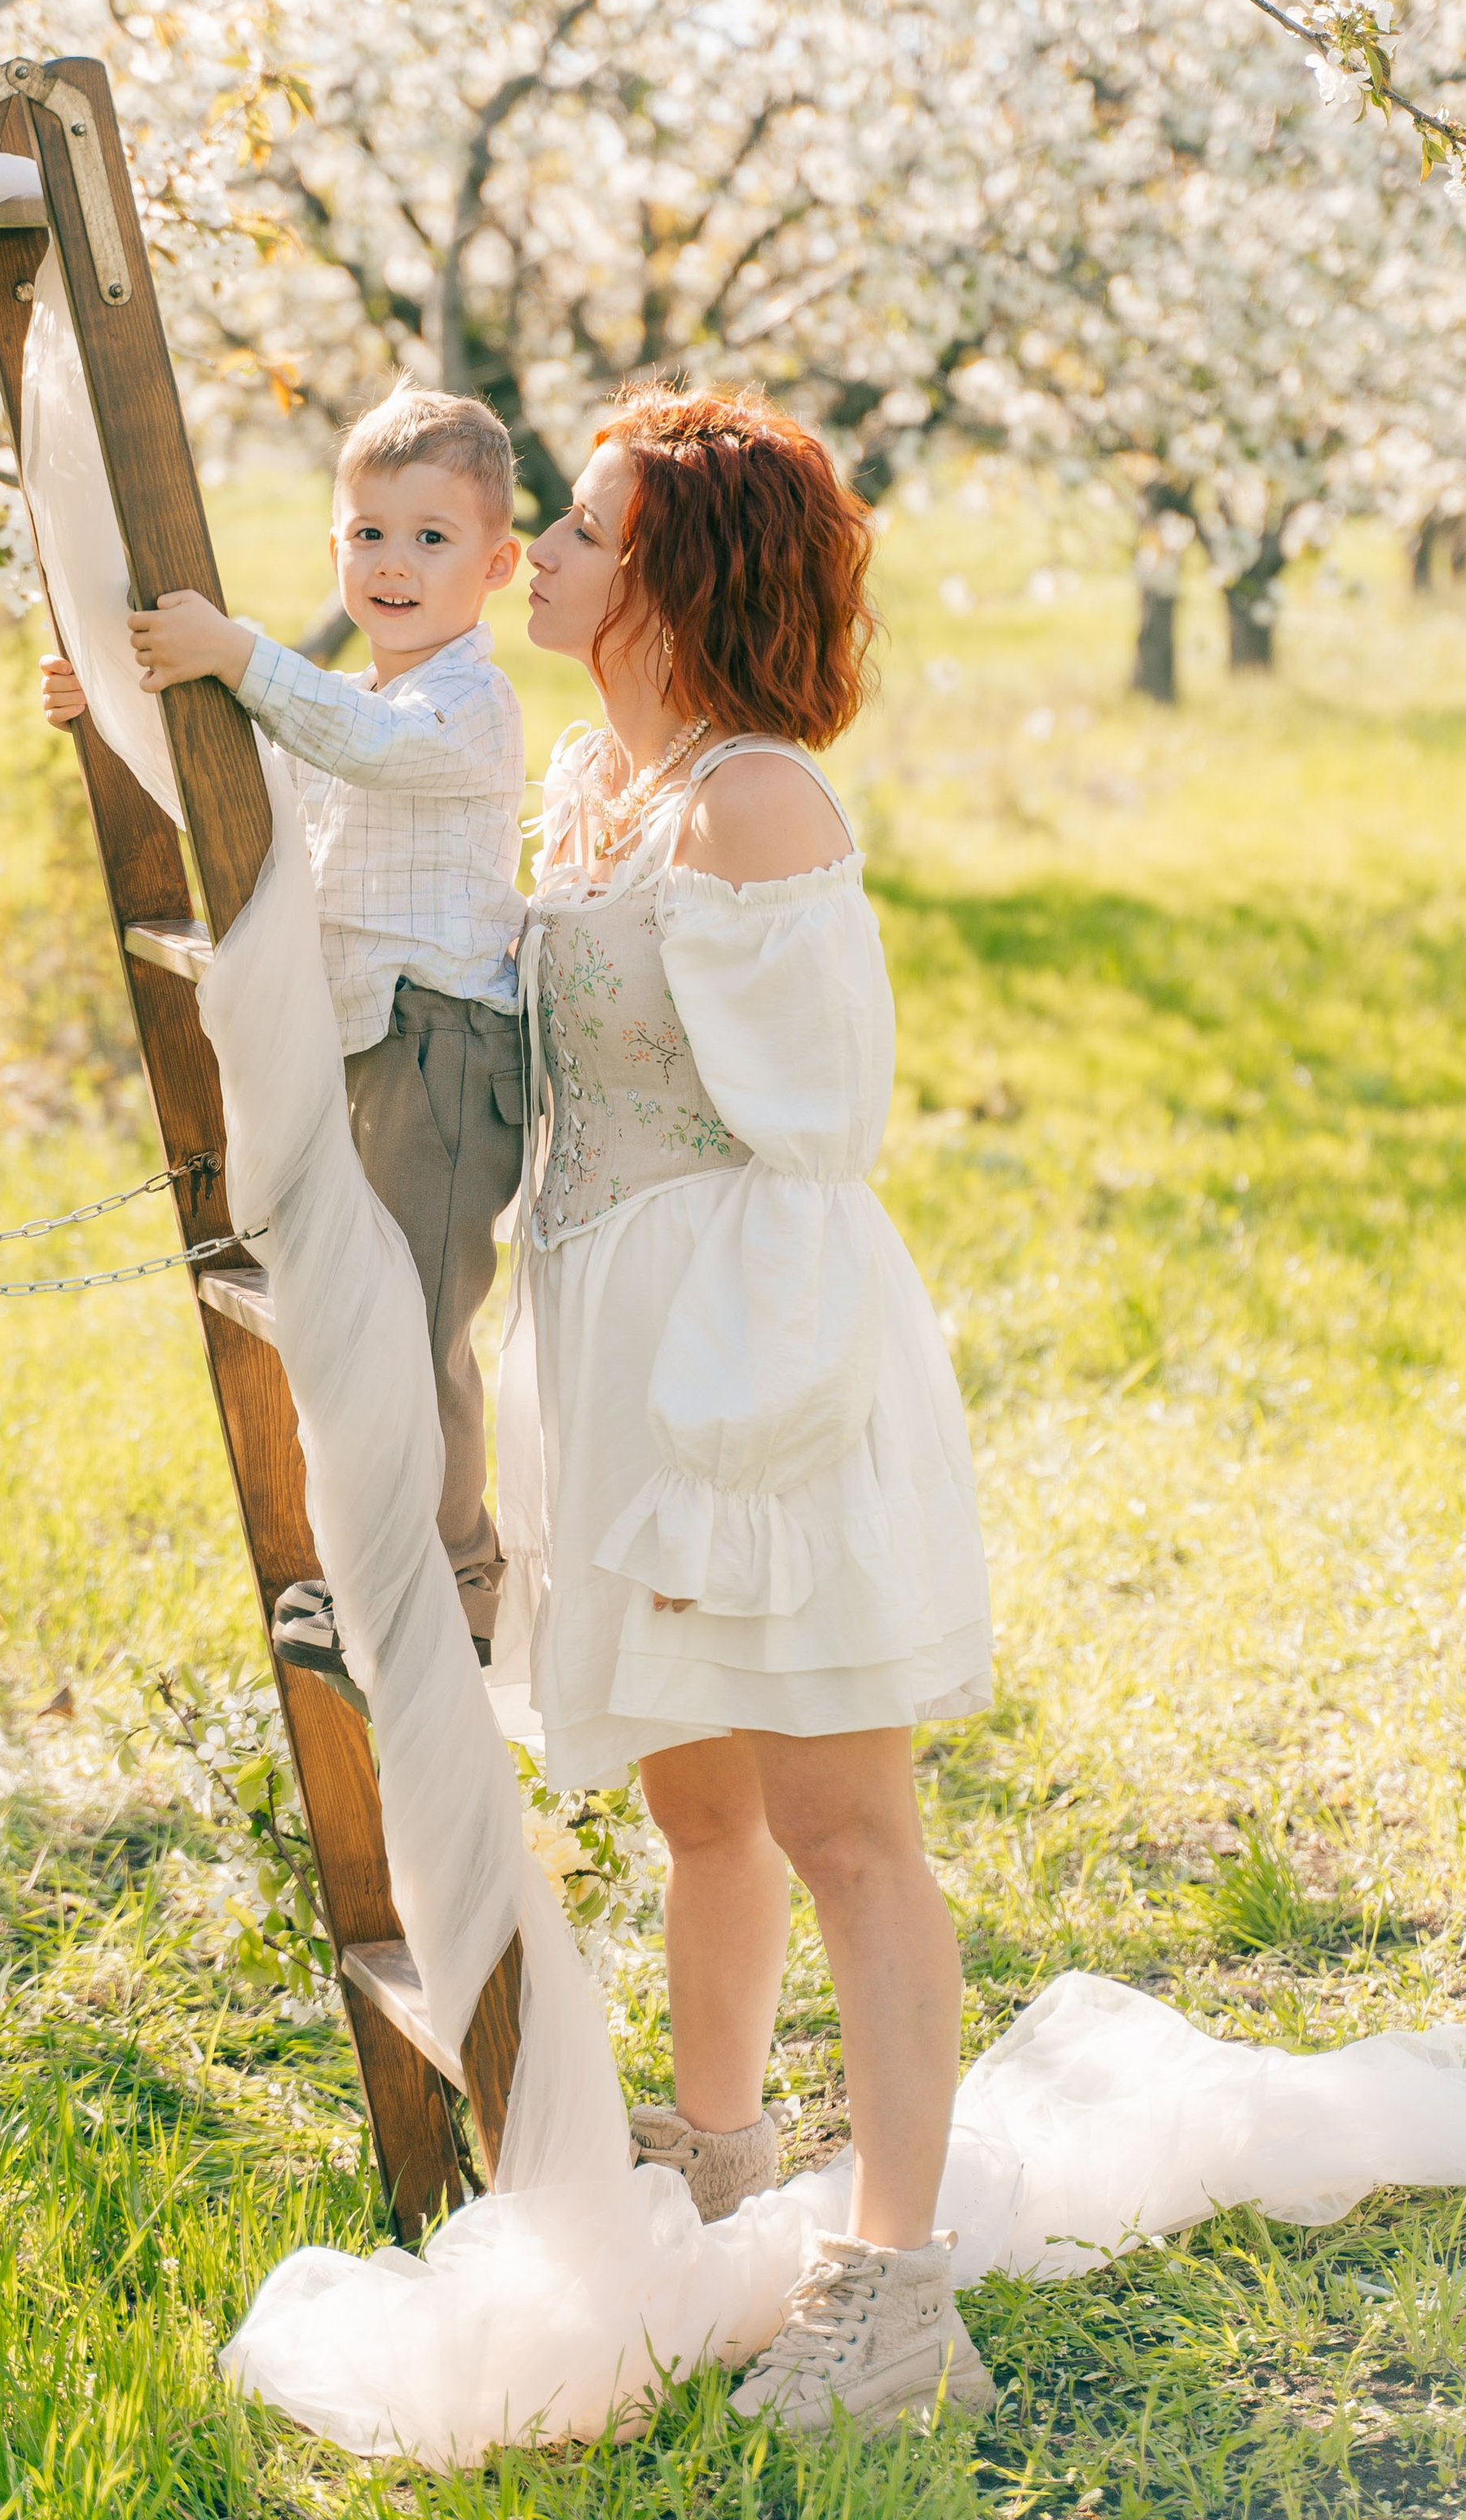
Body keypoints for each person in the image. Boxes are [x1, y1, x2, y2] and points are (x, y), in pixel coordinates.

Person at [505, 384, 996, 2430]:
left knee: (840, 1823)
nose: (537, 549)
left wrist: (735, 1434)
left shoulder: (752, 806)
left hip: (754, 1361)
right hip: (610, 1343)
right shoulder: (581, 785)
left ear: (673, 578)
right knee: (693, 1806)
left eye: (581, 529)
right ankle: (713, 2166)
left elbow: (815, 1147)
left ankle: (893, 2285)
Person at [41, 384, 526, 1669]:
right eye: (368, 534)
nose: (395, 564)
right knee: (360, 1320)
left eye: (432, 538)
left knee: (417, 1329)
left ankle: (454, 1589)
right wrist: (114, 701)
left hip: (443, 1047)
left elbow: (354, 741)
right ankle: (380, 1573)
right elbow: (257, 776)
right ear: (336, 550)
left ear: (499, 565)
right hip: (371, 1043)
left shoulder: (463, 708)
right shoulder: (350, 701)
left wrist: (238, 652)